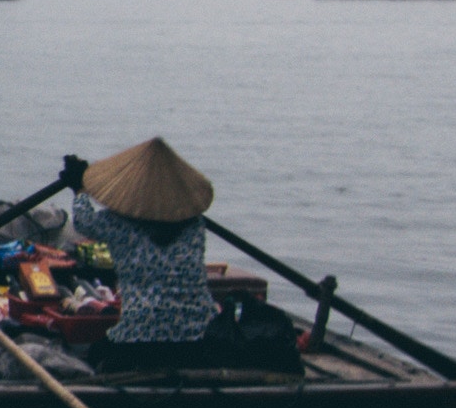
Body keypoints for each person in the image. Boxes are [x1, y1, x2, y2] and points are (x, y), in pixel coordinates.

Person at [73, 136, 300, 374]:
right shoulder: (194, 226)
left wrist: (79, 189)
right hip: (199, 338)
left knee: (95, 353)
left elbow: (84, 222)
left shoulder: (117, 223)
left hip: (139, 339)